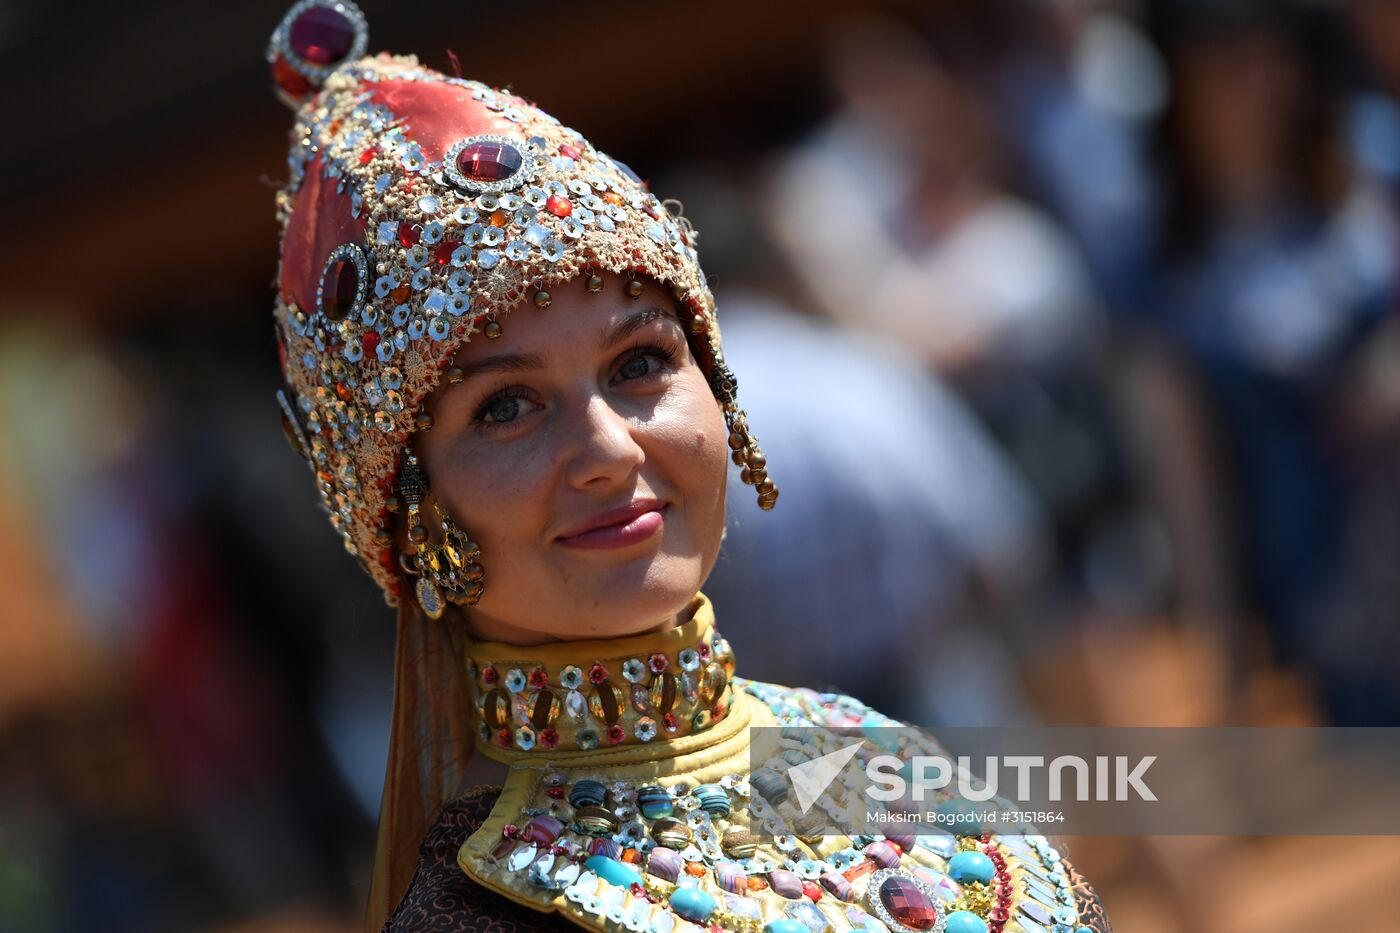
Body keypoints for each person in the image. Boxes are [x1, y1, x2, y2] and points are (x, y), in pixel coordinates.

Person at [263, 3, 1114, 932]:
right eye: (505, 407)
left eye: (639, 364)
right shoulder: (485, 909)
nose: (611, 448)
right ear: (405, 510)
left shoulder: (864, 745)